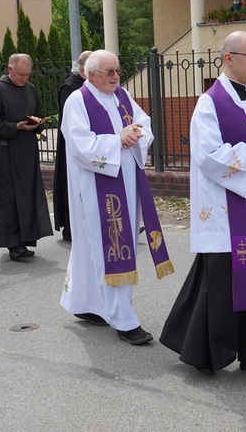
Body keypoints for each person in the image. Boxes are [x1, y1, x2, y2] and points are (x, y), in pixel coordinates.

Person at [160, 31, 246, 375]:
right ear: (229, 58)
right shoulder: (211, 103)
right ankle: (205, 352)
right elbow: (208, 156)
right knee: (225, 286)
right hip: (231, 211)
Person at [59, 49, 174, 346]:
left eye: (117, 71)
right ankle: (123, 319)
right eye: (108, 72)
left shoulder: (121, 95)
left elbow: (143, 123)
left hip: (128, 181)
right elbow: (79, 145)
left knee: (91, 248)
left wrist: (138, 135)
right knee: (112, 244)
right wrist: (116, 141)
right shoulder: (78, 101)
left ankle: (85, 303)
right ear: (91, 74)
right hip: (97, 187)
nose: (115, 77)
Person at [0, 53, 52, 261]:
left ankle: (26, 238)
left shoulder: (30, 89)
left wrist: (38, 123)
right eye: (21, 74)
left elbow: (37, 113)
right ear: (10, 69)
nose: (24, 79)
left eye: (28, 75)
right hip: (6, 152)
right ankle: (13, 243)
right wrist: (15, 126)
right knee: (8, 198)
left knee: (27, 195)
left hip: (27, 150)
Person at [53, 50, 92, 242]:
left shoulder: (92, 86)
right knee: (74, 185)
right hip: (74, 145)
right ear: (83, 67)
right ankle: (71, 228)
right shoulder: (71, 87)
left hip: (92, 144)